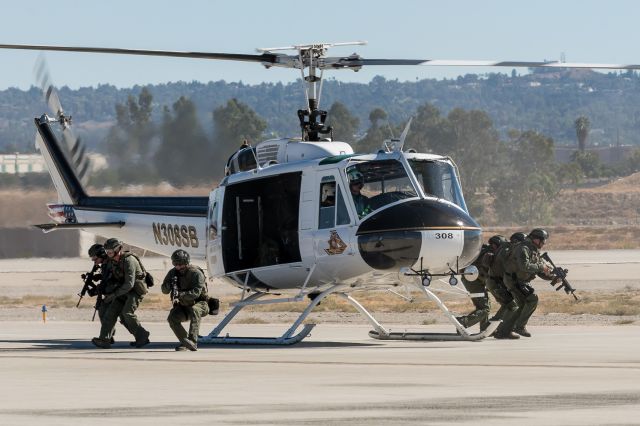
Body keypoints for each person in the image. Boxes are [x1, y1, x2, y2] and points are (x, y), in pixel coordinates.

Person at [91, 238, 150, 349]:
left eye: (110, 252)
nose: (108, 255)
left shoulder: (129, 260)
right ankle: (105, 339)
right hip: (122, 291)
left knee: (127, 313)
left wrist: (113, 295)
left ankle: (142, 336)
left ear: (118, 250)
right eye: (107, 252)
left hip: (135, 291)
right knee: (110, 313)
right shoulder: (112, 261)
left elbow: (129, 284)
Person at [501, 228, 551, 338]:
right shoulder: (523, 248)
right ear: (536, 240)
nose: (543, 244)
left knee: (523, 304)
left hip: (521, 281)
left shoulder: (534, 250)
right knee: (532, 299)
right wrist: (542, 267)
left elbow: (539, 271)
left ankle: (503, 331)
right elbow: (525, 266)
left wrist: (552, 277)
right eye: (543, 241)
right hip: (514, 280)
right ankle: (519, 327)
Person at [161, 249, 209, 351]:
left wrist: (181, 294)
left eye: (180, 264)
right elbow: (164, 290)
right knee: (172, 317)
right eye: (176, 264)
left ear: (186, 262)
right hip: (184, 306)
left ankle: (192, 341)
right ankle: (185, 342)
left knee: (195, 310)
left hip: (200, 304)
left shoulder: (196, 273)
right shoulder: (173, 273)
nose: (178, 267)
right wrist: (169, 286)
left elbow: (196, 293)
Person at [457, 235, 505, 332]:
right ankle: (463, 322)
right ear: (495, 245)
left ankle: (485, 327)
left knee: (485, 305)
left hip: (474, 281)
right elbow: (487, 272)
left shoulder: (482, 251)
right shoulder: (488, 255)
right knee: (484, 308)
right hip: (473, 282)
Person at [486, 232, 525, 339]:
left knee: (507, 305)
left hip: (496, 282)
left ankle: (490, 327)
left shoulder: (508, 249)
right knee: (513, 306)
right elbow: (510, 267)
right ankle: (503, 331)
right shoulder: (508, 250)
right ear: (517, 242)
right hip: (497, 283)